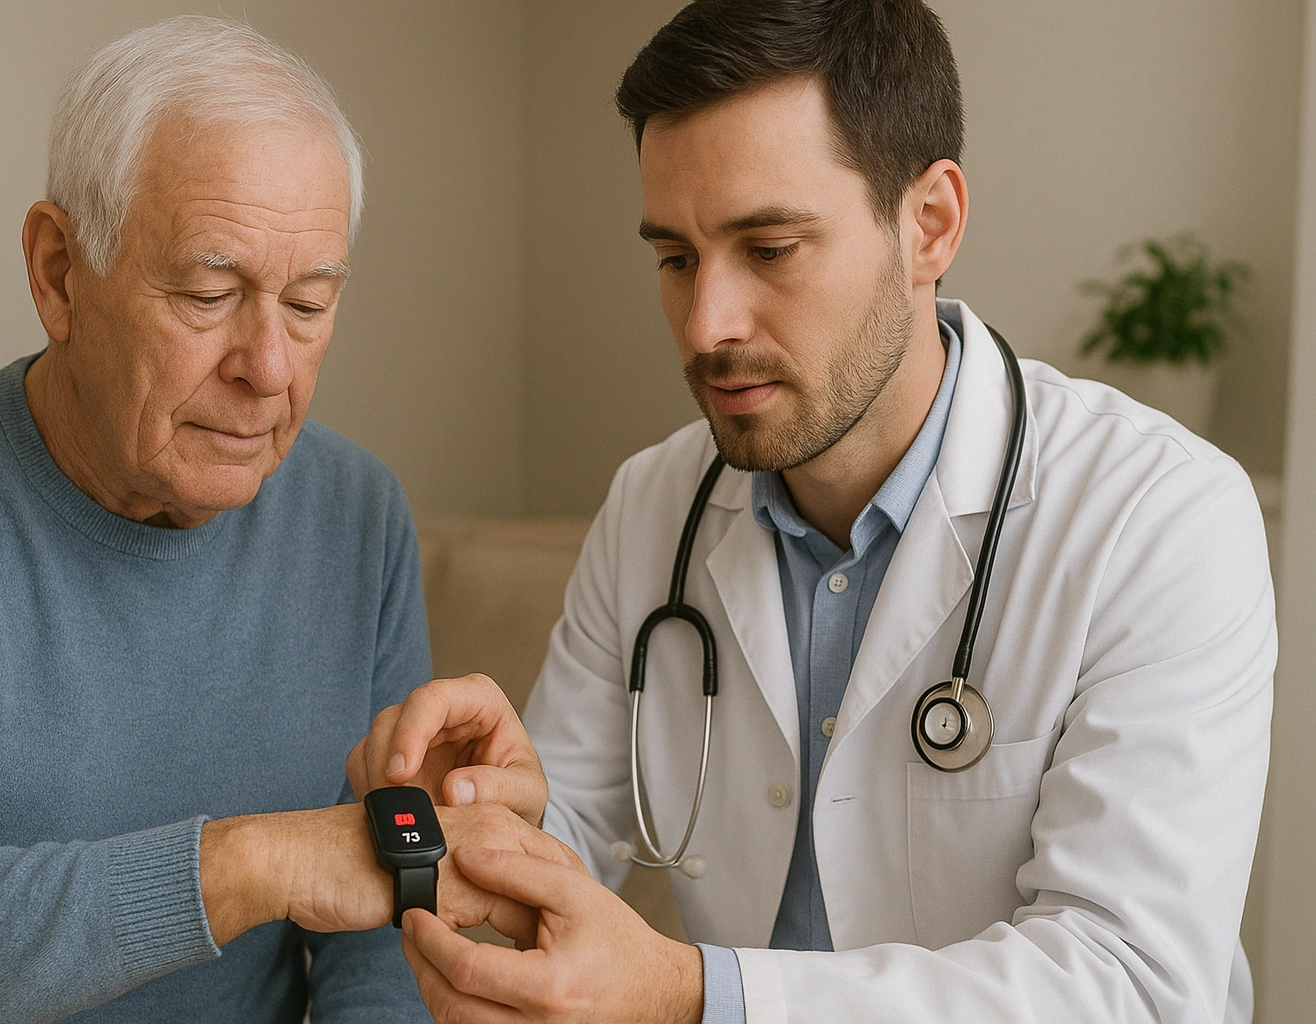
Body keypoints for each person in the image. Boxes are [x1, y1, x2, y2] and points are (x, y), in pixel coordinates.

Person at [347, 1, 1276, 1021]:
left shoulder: (1158, 517)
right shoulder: (655, 503)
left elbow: (1129, 984)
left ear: (930, 225)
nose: (707, 326)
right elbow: (566, 838)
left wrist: (695, 991)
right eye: (675, 257)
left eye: (771, 248)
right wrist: (487, 815)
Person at [0, 16, 560, 1023]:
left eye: (311, 304)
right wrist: (250, 864)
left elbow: (384, 918)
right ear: (59, 273)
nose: (268, 367)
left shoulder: (358, 514)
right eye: (208, 293)